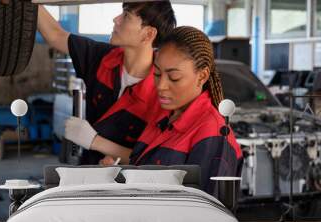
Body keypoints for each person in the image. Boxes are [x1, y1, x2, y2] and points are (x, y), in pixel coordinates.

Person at [65, 26, 243, 195]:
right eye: (157, 75)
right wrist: (120, 175)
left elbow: (207, 213)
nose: (161, 86)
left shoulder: (213, 135)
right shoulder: (163, 116)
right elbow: (149, 170)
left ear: (202, 76)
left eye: (174, 78)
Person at [38, 1, 176, 164]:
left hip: (132, 185)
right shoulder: (102, 58)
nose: (115, 19)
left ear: (148, 34)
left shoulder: (163, 91)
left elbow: (154, 159)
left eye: (126, 16)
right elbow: (56, 35)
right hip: (87, 173)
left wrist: (95, 141)